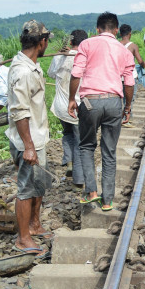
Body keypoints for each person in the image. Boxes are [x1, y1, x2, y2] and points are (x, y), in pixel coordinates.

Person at [69, 12, 134, 212]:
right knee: (109, 151)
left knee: (87, 146)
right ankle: (107, 200)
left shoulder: (86, 44)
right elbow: (129, 83)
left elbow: (76, 74)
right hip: (114, 102)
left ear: (97, 29)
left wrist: (72, 99)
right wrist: (127, 107)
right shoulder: (124, 51)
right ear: (116, 30)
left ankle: (91, 192)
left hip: (90, 102)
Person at [5, 20, 54, 257]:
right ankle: (23, 239)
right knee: (25, 189)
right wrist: (29, 147)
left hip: (36, 137)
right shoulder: (23, 72)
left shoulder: (31, 65)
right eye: (47, 41)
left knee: (39, 184)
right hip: (28, 140)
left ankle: (34, 225)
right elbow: (19, 112)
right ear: (42, 42)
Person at [48, 29, 87, 186]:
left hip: (60, 105)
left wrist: (59, 56)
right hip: (77, 106)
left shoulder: (60, 56)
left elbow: (51, 74)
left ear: (71, 42)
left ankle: (69, 163)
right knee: (80, 141)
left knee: (67, 134)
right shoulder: (85, 56)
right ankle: (79, 179)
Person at [119, 24, 145, 128]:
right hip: (130, 76)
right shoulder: (133, 46)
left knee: (120, 99)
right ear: (130, 34)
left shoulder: (117, 44)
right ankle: (126, 118)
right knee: (129, 99)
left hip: (118, 76)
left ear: (120, 34)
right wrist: (144, 65)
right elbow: (140, 61)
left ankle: (122, 117)